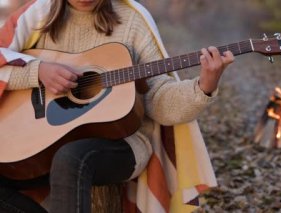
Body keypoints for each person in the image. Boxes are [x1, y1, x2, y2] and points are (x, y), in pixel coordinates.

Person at [0, 0, 234, 212]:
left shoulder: (133, 19)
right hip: (43, 141)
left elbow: (157, 99)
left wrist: (204, 86)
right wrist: (37, 71)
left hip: (124, 142)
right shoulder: (37, 16)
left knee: (70, 158)